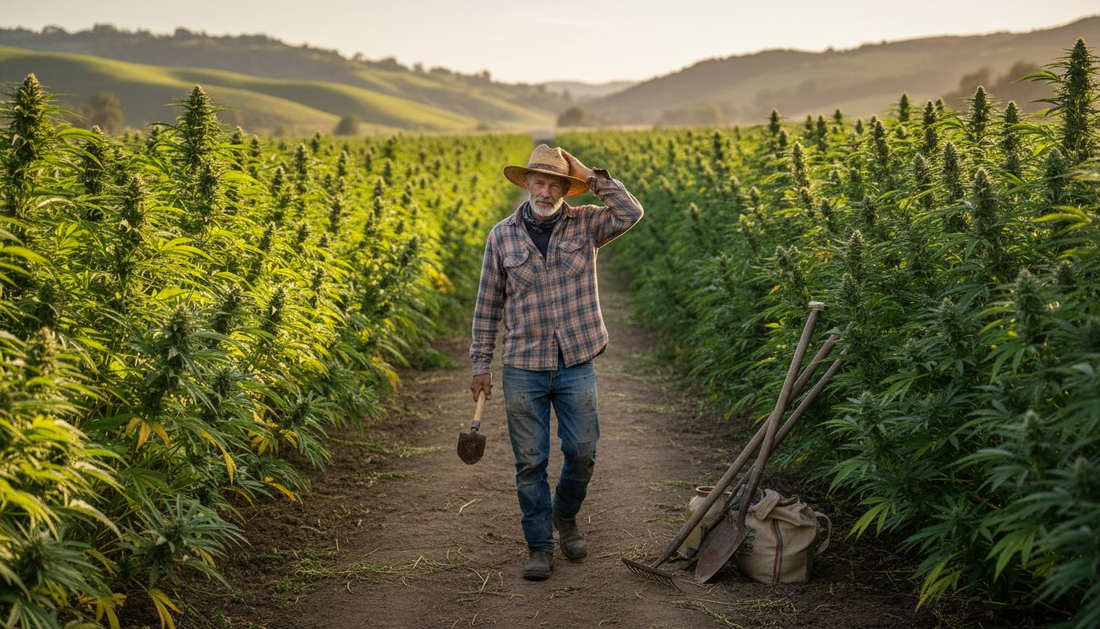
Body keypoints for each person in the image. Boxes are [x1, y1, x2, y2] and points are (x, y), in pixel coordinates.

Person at [469, 144, 644, 580]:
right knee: (530, 462)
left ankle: (564, 516)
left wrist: (589, 174)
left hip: (575, 360)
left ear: (567, 189)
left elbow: (630, 212)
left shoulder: (586, 224)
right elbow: (488, 305)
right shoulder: (502, 236)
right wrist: (480, 364)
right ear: (527, 183)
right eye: (540, 181)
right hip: (522, 365)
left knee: (582, 452)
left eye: (556, 184)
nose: (546, 191)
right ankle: (540, 546)